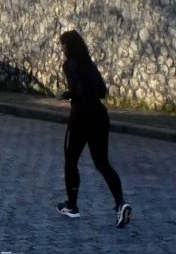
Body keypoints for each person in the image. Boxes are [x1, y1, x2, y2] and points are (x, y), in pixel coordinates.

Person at [56, 29, 131, 228]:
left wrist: (66, 95)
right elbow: (103, 91)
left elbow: (77, 90)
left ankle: (72, 206)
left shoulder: (70, 64)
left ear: (69, 46)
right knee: (102, 163)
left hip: (81, 117)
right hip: (100, 115)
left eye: (62, 44)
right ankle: (120, 203)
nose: (61, 48)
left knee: (71, 160)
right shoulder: (90, 64)